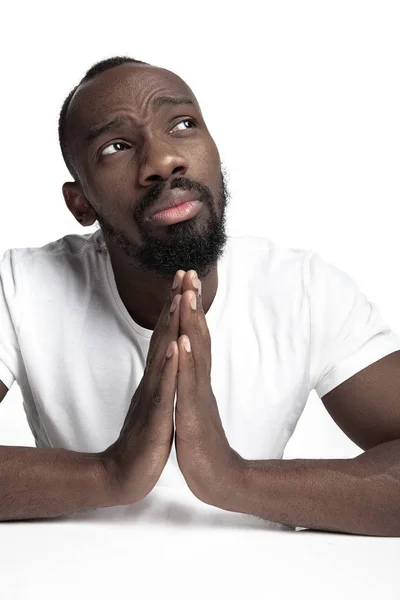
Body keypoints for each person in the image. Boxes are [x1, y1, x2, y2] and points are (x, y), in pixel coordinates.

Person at [0, 56, 400, 536]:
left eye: (183, 124)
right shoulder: (21, 286)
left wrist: (233, 479)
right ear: (81, 202)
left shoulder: (304, 289)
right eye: (117, 145)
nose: (163, 160)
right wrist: (110, 473)